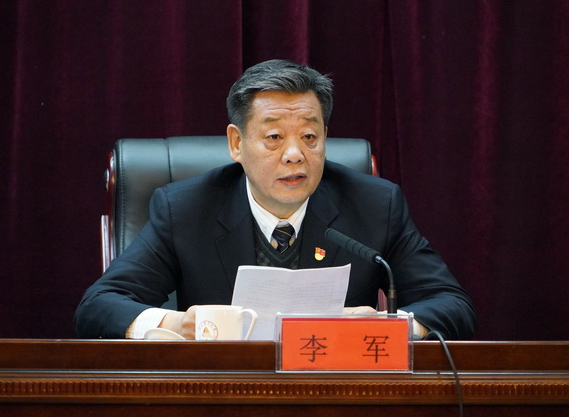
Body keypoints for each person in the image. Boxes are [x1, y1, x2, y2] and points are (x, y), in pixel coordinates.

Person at [74, 59, 477, 340]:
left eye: (309, 136)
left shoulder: (374, 205)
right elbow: (99, 305)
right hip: (223, 394)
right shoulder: (185, 209)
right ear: (237, 143)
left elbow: (452, 304)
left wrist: (390, 327)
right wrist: (176, 325)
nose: (294, 154)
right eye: (273, 137)